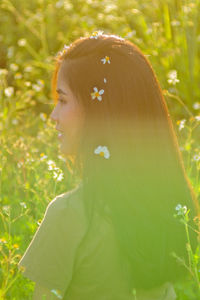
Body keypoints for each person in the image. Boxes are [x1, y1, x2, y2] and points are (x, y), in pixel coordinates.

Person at [18, 31, 199, 299]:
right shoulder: (163, 209)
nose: (53, 116)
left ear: (100, 112)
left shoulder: (68, 215)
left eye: (63, 100)